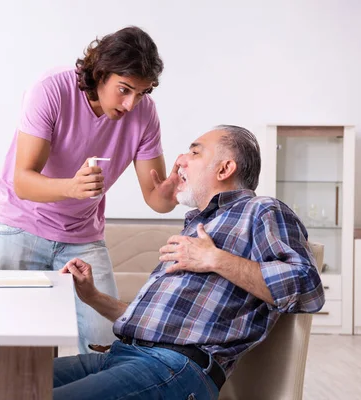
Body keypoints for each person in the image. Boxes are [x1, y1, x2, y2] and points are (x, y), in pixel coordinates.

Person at [54, 125, 325, 399]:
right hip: (124, 355)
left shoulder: (262, 210)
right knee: (17, 378)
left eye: (194, 152)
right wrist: (92, 296)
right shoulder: (197, 226)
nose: (180, 160)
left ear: (224, 169)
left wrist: (214, 258)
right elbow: (151, 323)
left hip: (173, 368)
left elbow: (307, 287)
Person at [0, 26, 180, 354]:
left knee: (107, 344)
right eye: (125, 89)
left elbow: (156, 199)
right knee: (10, 350)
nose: (131, 104)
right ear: (101, 72)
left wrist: (172, 191)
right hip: (19, 227)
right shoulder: (51, 89)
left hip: (81, 237)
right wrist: (72, 188)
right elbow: (23, 181)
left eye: (142, 93)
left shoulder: (144, 114)